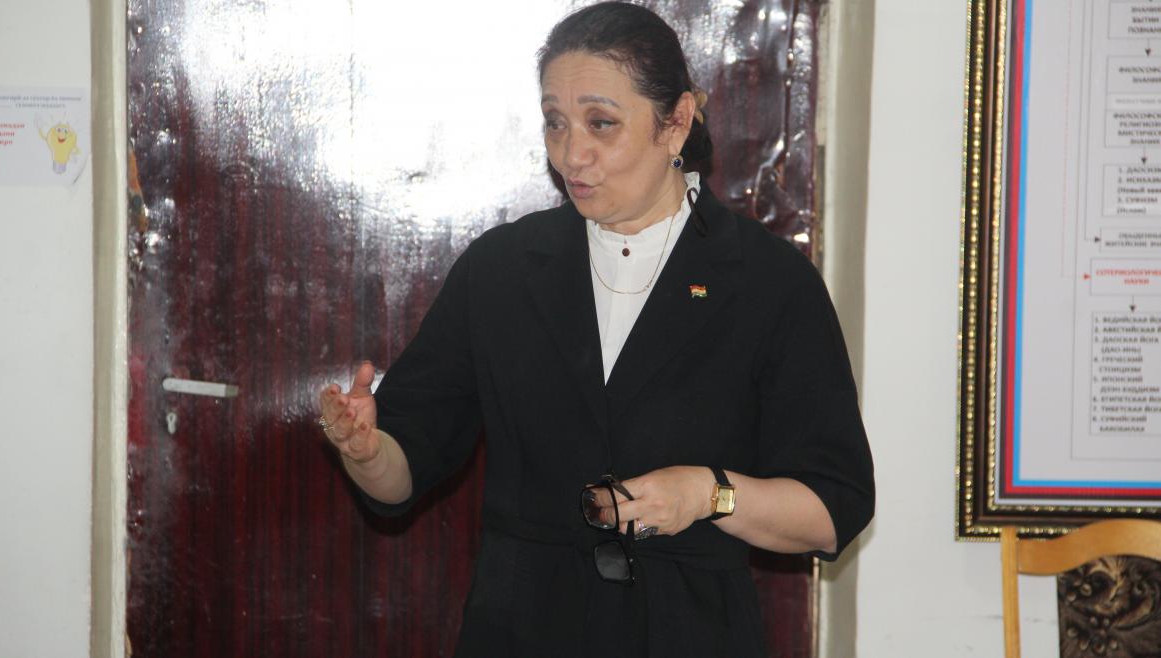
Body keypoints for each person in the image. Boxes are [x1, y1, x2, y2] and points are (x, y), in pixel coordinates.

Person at [317, 3, 873, 656]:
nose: (570, 153)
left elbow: (831, 511)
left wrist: (709, 493)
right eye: (555, 122)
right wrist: (366, 451)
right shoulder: (502, 269)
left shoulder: (767, 280)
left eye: (600, 123)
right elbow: (404, 470)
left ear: (676, 123)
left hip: (690, 632)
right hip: (522, 631)